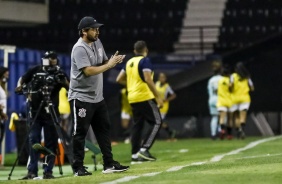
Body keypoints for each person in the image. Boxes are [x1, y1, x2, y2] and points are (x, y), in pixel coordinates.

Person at [68, 16, 129, 176]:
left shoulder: (97, 42)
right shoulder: (79, 48)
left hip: (97, 97)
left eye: (97, 28)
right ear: (83, 31)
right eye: (94, 29)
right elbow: (88, 71)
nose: (97, 31)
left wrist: (112, 61)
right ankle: (78, 167)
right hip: (81, 97)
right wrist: (108, 65)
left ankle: (109, 164)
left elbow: (103, 62)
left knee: (104, 130)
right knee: (80, 133)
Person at [15, 51, 69, 179]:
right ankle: (32, 171)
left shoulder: (59, 73)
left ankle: (47, 171)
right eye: (49, 60)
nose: (52, 63)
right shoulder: (35, 70)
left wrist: (64, 82)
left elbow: (69, 87)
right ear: (44, 60)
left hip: (51, 112)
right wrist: (19, 86)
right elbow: (22, 79)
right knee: (34, 140)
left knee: (51, 143)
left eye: (54, 60)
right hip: (34, 111)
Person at [116, 40, 163, 163]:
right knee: (157, 121)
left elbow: (118, 79)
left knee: (137, 126)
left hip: (132, 98)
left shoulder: (129, 62)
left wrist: (131, 85)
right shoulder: (145, 61)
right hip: (144, 96)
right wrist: (157, 96)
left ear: (134, 51)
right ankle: (144, 149)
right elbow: (148, 78)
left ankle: (135, 155)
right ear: (146, 50)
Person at [230, 62, 254, 139]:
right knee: (243, 116)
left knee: (236, 116)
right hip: (245, 98)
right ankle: (242, 130)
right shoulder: (247, 77)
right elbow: (252, 88)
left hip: (235, 98)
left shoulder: (233, 76)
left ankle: (239, 131)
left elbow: (230, 86)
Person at [155, 72, 177, 140]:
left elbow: (173, 95)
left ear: (165, 78)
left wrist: (166, 100)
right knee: (158, 121)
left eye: (163, 77)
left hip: (163, 106)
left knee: (159, 121)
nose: (161, 79)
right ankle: (170, 132)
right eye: (160, 77)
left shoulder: (167, 86)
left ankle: (168, 133)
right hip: (156, 104)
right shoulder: (156, 84)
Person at [216, 64, 234, 140]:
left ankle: (222, 130)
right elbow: (231, 89)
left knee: (222, 117)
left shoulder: (219, 80)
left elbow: (216, 90)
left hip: (221, 101)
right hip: (229, 101)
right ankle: (229, 134)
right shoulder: (229, 80)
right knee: (230, 118)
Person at [207, 60, 222, 140]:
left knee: (214, 117)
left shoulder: (211, 80)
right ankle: (220, 132)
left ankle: (213, 134)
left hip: (212, 99)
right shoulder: (222, 79)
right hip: (220, 99)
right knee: (221, 117)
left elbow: (209, 91)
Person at [0, 67, 9, 167]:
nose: (7, 76)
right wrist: (2, 112)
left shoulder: (2, 86)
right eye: (6, 74)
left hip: (2, 118)